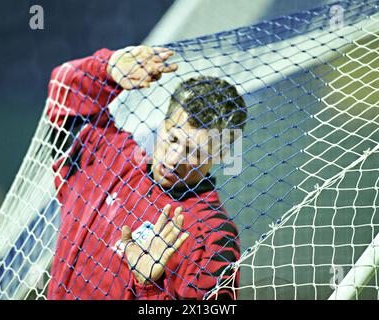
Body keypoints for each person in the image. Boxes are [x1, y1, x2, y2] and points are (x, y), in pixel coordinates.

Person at [46, 45, 247, 300]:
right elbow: (62, 90)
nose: (175, 159)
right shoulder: (110, 158)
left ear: (220, 155)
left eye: (194, 152)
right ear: (161, 125)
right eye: (173, 139)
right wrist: (107, 69)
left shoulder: (212, 236)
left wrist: (148, 287)